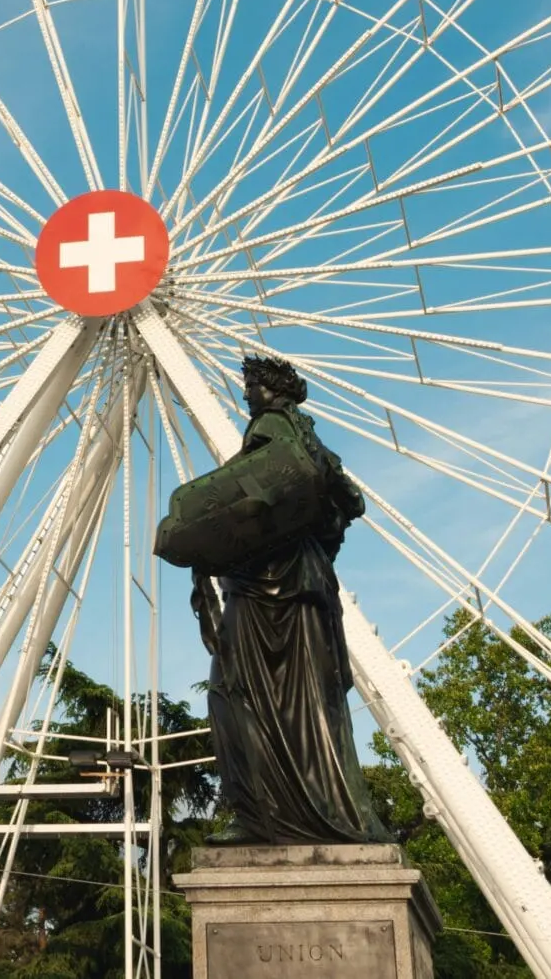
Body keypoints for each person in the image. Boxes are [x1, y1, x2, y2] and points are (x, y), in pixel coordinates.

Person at [188, 353, 389, 846]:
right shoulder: (313, 445)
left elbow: (236, 505)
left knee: (233, 694)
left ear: (273, 390)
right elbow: (352, 501)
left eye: (252, 385)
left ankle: (257, 814)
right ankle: (314, 805)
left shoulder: (270, 431)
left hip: (266, 586)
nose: (244, 394)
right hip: (301, 586)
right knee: (306, 703)